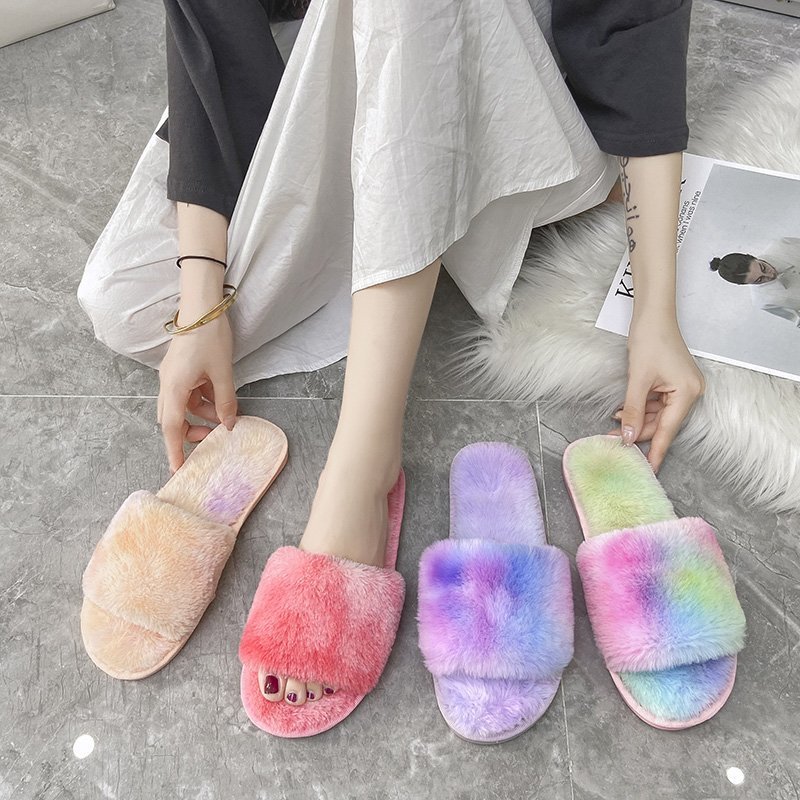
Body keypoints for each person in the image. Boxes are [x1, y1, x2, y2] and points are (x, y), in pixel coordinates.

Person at [78, 0, 704, 707]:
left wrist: (654, 309)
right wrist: (201, 302)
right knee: (128, 303)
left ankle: (362, 463)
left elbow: (633, 17)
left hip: (508, 89)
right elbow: (210, 23)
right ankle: (398, 227)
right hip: (333, 70)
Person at [710, 238, 800, 326]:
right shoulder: (764, 301)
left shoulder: (782, 244)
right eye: (759, 279)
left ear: (753, 257)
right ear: (745, 284)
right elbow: (796, 318)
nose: (771, 275)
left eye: (763, 268)